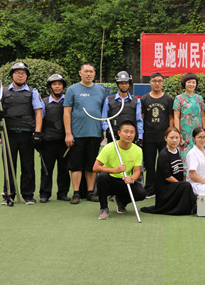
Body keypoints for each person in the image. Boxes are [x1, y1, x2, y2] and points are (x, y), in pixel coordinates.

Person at [0, 61, 44, 205]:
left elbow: (38, 113)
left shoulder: (33, 92)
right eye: (17, 73)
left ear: (27, 76)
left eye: (23, 73)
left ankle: (28, 195)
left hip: (27, 134)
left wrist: (37, 133)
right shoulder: (2, 91)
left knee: (28, 166)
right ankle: (9, 194)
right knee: (9, 165)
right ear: (12, 75)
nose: (20, 75)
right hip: (8, 134)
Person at [63, 62, 106, 204]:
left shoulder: (100, 90)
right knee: (76, 165)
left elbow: (104, 111)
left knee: (91, 165)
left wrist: (103, 131)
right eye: (86, 71)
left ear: (95, 73)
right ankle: (76, 193)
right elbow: (67, 112)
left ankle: (90, 192)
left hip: (95, 134)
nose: (89, 74)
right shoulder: (72, 90)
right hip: (77, 134)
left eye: (91, 71)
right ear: (80, 73)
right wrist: (68, 133)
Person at [93, 120, 147, 220]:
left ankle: (121, 201)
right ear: (119, 133)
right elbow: (95, 167)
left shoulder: (138, 150)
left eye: (132, 132)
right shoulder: (109, 147)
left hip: (124, 181)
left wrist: (131, 179)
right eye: (125, 131)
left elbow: (137, 171)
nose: (129, 135)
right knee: (102, 177)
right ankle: (104, 208)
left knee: (141, 193)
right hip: (109, 180)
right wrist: (115, 170)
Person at [141, 127, 196, 215]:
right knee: (186, 186)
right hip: (165, 189)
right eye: (171, 137)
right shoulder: (163, 155)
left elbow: (175, 167)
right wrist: (180, 185)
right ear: (165, 138)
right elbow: (168, 177)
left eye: (177, 137)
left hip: (174, 185)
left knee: (188, 185)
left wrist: (186, 169)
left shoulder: (177, 150)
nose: (174, 140)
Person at [140, 72, 175, 198]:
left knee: (164, 164)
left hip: (163, 138)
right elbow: (142, 118)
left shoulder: (168, 99)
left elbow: (171, 118)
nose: (157, 83)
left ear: (163, 83)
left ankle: (164, 187)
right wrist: (141, 135)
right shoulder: (144, 99)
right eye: (154, 81)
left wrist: (170, 134)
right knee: (149, 164)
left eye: (160, 81)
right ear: (150, 82)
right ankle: (150, 189)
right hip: (149, 137)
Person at [38, 74, 71, 203]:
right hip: (48, 141)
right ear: (50, 87)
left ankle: (62, 193)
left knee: (64, 169)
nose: (57, 86)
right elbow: (40, 119)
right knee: (47, 169)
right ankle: (44, 194)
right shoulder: (43, 102)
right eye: (54, 84)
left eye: (60, 84)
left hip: (64, 141)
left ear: (63, 86)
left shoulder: (68, 101)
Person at [101, 71, 143, 143]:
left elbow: (139, 120)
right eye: (121, 83)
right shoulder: (108, 100)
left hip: (130, 138)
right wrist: (108, 129)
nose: (124, 85)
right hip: (113, 137)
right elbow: (103, 119)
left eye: (126, 83)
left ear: (129, 84)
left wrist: (140, 137)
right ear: (118, 84)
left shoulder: (136, 101)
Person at [173, 73, 205, 159]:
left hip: (198, 131)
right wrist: (178, 132)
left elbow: (203, 116)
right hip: (184, 132)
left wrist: (204, 130)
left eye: (193, 82)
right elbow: (176, 117)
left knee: (198, 155)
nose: (191, 84)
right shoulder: (179, 98)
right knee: (185, 155)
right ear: (184, 83)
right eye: (189, 82)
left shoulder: (199, 98)